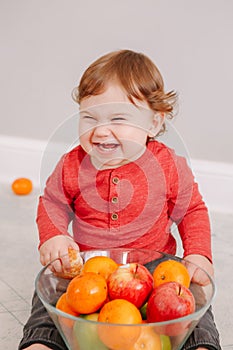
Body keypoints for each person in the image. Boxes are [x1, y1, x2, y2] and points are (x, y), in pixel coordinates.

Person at [19, 49, 221, 350]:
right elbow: (52, 203)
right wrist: (55, 237)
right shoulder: (72, 165)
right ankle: (42, 342)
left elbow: (192, 210)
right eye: (89, 118)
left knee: (189, 302)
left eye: (118, 118)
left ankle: (200, 344)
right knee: (54, 301)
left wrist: (198, 253)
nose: (101, 131)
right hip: (87, 271)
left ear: (153, 123)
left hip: (154, 269)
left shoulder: (168, 166)